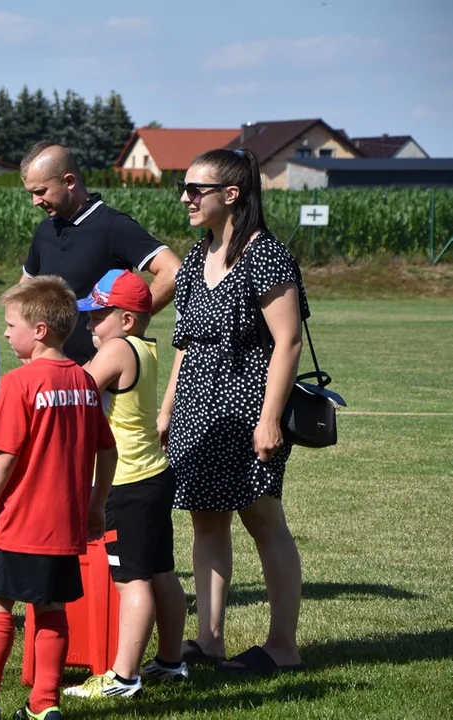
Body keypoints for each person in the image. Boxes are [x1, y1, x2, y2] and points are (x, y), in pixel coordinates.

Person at [0, 276, 117, 720]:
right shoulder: (85, 382)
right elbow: (108, 450)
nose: (7, 332)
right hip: (66, 522)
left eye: (12, 324)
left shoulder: (19, 383)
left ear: (39, 330)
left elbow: (4, 457)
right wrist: (95, 505)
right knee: (51, 610)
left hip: (23, 521)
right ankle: (45, 706)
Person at [159, 148, 307, 675]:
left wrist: (269, 419)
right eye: (186, 187)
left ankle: (282, 647)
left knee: (263, 519)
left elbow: (287, 342)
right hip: (197, 409)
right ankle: (210, 640)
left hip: (248, 407)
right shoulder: (197, 256)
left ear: (231, 194)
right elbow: (184, 340)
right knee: (205, 521)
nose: (186, 198)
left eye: (196, 189)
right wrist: (168, 406)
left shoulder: (266, 255)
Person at [63, 270, 188, 700]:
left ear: (127, 320)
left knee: (130, 580)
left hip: (127, 482)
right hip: (153, 475)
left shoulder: (116, 348)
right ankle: (171, 662)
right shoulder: (142, 347)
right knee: (161, 572)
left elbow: (76, 390)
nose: (90, 325)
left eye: (99, 316)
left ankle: (123, 677)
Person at [19, 141, 182, 365]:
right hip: (50, 371)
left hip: (100, 375)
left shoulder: (113, 226)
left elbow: (173, 272)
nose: (34, 201)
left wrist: (128, 324)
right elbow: (25, 288)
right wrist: (27, 340)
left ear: (69, 181)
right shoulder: (45, 229)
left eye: (40, 192)